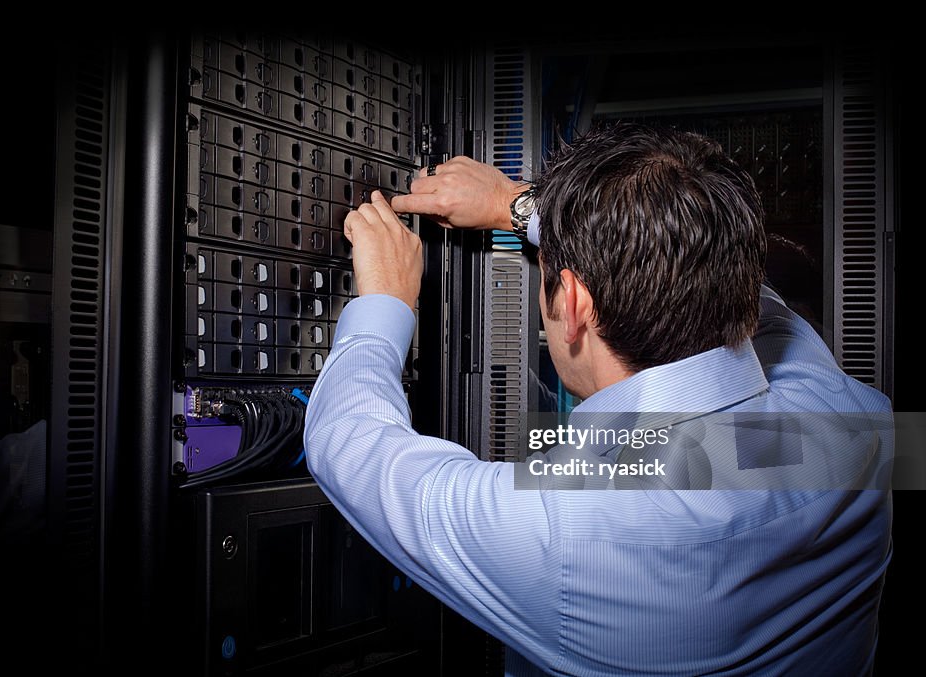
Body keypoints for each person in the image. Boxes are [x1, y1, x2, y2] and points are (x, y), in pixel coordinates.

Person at [304, 123, 892, 675]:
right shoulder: (854, 424)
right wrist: (518, 207)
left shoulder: (575, 536)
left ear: (575, 305)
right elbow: (727, 273)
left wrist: (387, 298)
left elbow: (351, 447)